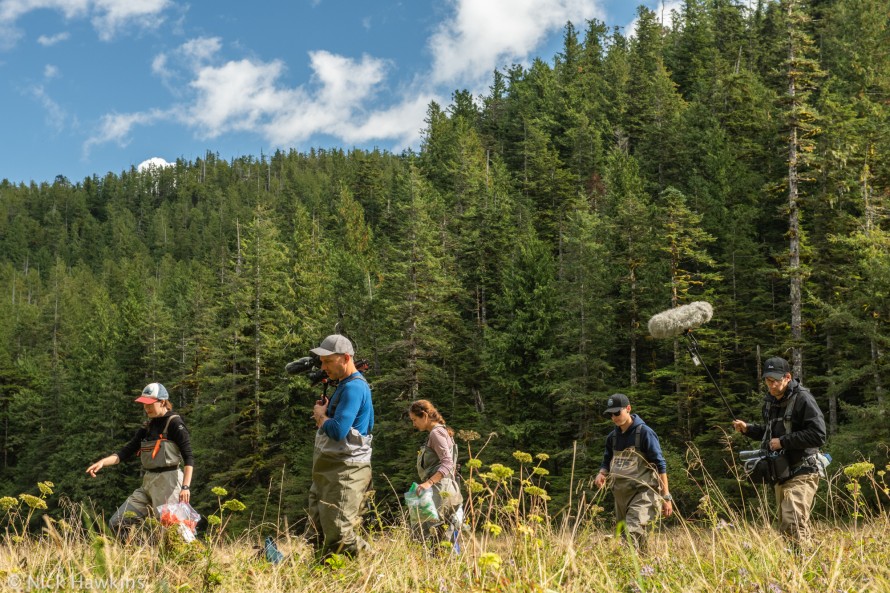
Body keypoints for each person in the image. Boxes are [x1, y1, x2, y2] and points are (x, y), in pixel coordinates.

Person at [732, 356, 826, 551]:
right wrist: (748, 429)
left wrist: (783, 442)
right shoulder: (770, 402)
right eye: (768, 381)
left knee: (793, 523)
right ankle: (808, 565)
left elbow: (818, 435)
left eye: (775, 380)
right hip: (782, 473)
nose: (771, 385)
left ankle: (805, 566)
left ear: (788, 377)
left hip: (803, 470)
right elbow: (770, 434)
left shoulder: (803, 399)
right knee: (788, 527)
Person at [86, 383, 194, 535]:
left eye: (149, 404)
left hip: (169, 484)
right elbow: (125, 452)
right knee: (118, 522)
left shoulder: (175, 423)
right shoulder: (147, 427)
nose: (146, 408)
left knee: (173, 531)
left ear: (162, 402)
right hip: (148, 483)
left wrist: (185, 487)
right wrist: (102, 462)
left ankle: (192, 557)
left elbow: (189, 457)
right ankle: (142, 554)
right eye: (144, 404)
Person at [307, 334, 374, 559]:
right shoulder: (345, 386)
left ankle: (377, 564)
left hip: (346, 470)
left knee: (339, 532)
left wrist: (321, 417)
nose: (323, 367)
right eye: (322, 362)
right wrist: (327, 411)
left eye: (328, 361)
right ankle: (324, 574)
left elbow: (338, 431)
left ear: (345, 358)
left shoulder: (354, 387)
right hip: (331, 468)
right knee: (319, 529)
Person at [594, 393, 672, 552]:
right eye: (611, 414)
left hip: (643, 493)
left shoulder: (645, 433)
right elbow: (607, 460)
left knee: (631, 533)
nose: (614, 417)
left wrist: (666, 497)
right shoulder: (612, 437)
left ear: (628, 409)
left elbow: (660, 465)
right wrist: (602, 473)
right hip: (620, 495)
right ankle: (644, 570)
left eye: (617, 413)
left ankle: (628, 567)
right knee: (629, 537)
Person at [408, 400, 464, 546]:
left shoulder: (436, 433)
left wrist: (428, 483)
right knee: (444, 533)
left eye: (415, 419)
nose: (414, 424)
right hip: (445, 488)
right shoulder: (440, 431)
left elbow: (447, 463)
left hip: (441, 490)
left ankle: (440, 564)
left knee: (430, 534)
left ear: (425, 416)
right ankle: (448, 564)